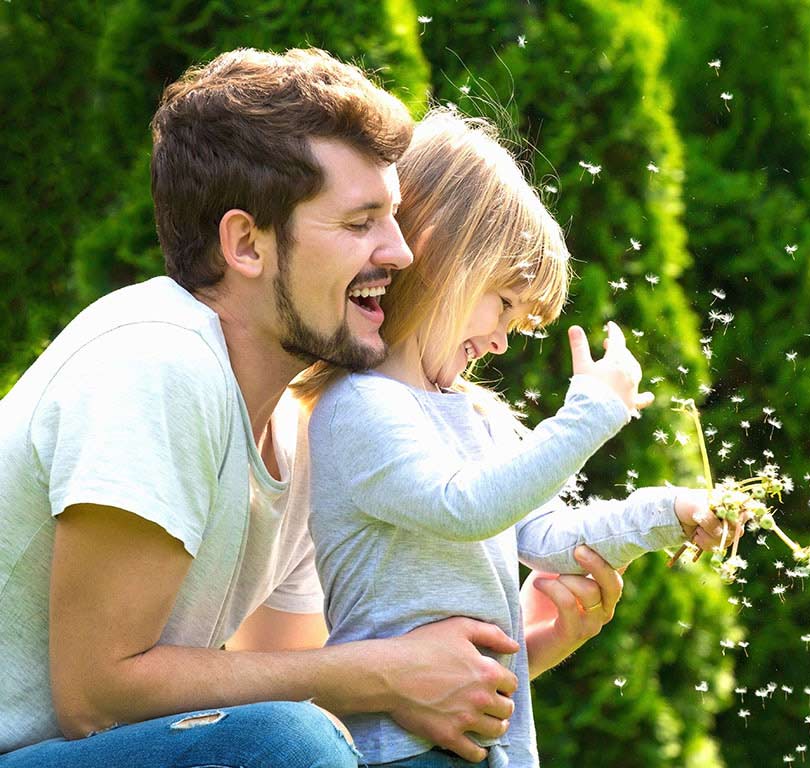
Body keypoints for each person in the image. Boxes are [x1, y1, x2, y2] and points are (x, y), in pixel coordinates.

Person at [0, 49, 624, 767]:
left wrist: (511, 656)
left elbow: (294, 684)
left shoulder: (305, 434)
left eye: (393, 219)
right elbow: (97, 695)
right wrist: (385, 669)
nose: (400, 253)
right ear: (246, 244)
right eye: (361, 224)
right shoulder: (159, 363)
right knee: (287, 745)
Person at [287, 109, 734, 768]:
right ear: (439, 253)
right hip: (398, 749)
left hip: (488, 746)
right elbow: (464, 508)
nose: (500, 341)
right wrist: (584, 418)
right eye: (502, 304)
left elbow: (553, 539)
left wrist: (668, 512)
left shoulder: (480, 416)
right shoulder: (358, 408)